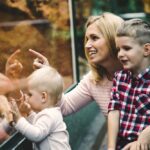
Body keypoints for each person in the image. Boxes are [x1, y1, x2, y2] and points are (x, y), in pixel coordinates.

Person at [108, 18, 150, 150]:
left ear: (147, 49)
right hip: (122, 145)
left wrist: (146, 134)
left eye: (126, 48)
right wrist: (110, 147)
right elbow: (114, 112)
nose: (120, 54)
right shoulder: (119, 78)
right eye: (118, 49)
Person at [10, 66, 71, 150]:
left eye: (30, 94)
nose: (26, 97)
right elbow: (40, 124)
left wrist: (19, 120)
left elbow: (36, 135)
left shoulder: (49, 115)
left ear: (43, 97)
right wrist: (30, 113)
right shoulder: (51, 113)